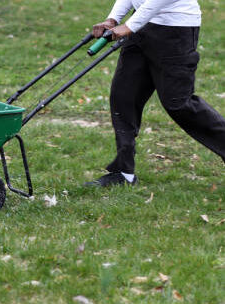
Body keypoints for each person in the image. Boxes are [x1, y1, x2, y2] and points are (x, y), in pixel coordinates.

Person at [86, 0, 225, 187]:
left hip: (175, 29)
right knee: (124, 96)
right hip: (141, 25)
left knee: (178, 103)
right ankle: (123, 172)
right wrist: (113, 19)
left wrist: (130, 25)